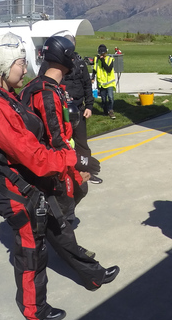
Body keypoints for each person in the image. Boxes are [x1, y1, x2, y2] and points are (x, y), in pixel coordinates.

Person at [0, 32, 119, 320]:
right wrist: (74, 159)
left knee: (59, 231)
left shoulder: (7, 97)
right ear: (4, 66)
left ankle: (93, 275)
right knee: (31, 253)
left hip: (33, 187)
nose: (26, 69)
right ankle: (33, 309)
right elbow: (36, 157)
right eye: (20, 64)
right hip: (19, 191)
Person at [19, 36, 102, 225]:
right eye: (71, 57)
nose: (74, 61)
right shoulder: (48, 94)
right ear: (64, 58)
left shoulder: (41, 87)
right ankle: (59, 225)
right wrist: (81, 161)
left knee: (80, 188)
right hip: (51, 164)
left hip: (48, 160)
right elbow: (56, 139)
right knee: (76, 190)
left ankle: (58, 221)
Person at [40, 32, 103, 185]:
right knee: (61, 142)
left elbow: (87, 85)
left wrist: (89, 106)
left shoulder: (80, 64)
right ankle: (66, 173)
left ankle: (86, 171)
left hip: (79, 109)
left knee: (81, 143)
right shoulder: (49, 66)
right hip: (60, 110)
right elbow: (42, 83)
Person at [92, 44, 116, 119]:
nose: (102, 55)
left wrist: (102, 60)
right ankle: (105, 111)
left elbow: (108, 69)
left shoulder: (110, 59)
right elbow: (95, 69)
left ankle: (111, 110)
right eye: (101, 53)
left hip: (109, 82)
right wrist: (92, 77)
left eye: (103, 53)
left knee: (111, 97)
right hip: (101, 83)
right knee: (103, 98)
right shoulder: (96, 59)